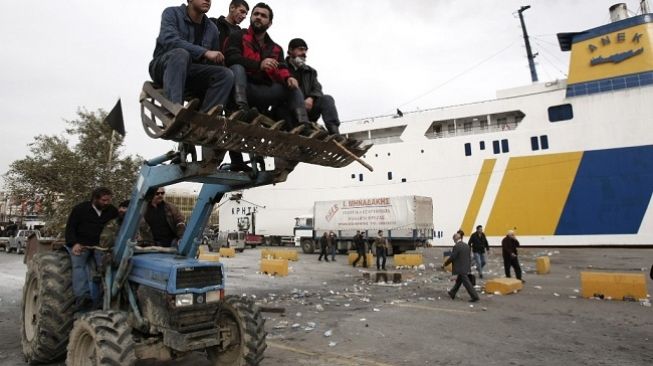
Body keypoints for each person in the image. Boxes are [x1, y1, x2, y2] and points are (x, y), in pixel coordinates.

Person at [224, 3, 309, 129]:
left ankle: (304, 126)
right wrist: (259, 65)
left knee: (293, 87)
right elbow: (231, 58)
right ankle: (240, 110)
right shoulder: (237, 36)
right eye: (256, 14)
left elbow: (282, 68)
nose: (258, 17)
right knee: (237, 67)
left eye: (263, 15)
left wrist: (288, 78)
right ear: (251, 17)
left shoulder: (276, 48)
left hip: (266, 90)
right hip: (243, 87)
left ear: (269, 23)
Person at [210, 0, 251, 170]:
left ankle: (236, 159)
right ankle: (211, 154)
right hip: (214, 70)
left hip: (234, 74)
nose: (243, 16)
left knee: (233, 117)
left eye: (245, 14)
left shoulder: (242, 33)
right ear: (231, 8)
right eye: (241, 12)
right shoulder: (214, 24)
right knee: (214, 115)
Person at [65, 187, 119, 311]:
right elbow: (70, 228)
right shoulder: (80, 209)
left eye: (109, 200)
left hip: (101, 247)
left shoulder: (112, 211)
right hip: (82, 245)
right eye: (104, 200)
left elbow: (118, 226)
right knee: (79, 265)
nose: (107, 203)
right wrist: (74, 244)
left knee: (107, 267)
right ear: (95, 199)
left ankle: (104, 297)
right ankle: (83, 297)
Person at [286, 38, 341, 135]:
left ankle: (334, 131)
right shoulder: (282, 67)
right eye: (300, 49)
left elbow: (317, 88)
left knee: (327, 99)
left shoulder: (310, 71)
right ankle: (303, 127)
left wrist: (311, 98)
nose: (304, 53)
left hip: (308, 111)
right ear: (290, 51)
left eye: (305, 50)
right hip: (289, 110)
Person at [443, 232, 480, 302]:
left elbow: (453, 257)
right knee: (459, 281)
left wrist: (445, 263)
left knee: (467, 283)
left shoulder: (456, 246)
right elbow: (469, 257)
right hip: (466, 267)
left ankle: (475, 296)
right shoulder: (466, 246)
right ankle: (452, 292)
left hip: (460, 268)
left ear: (455, 239)